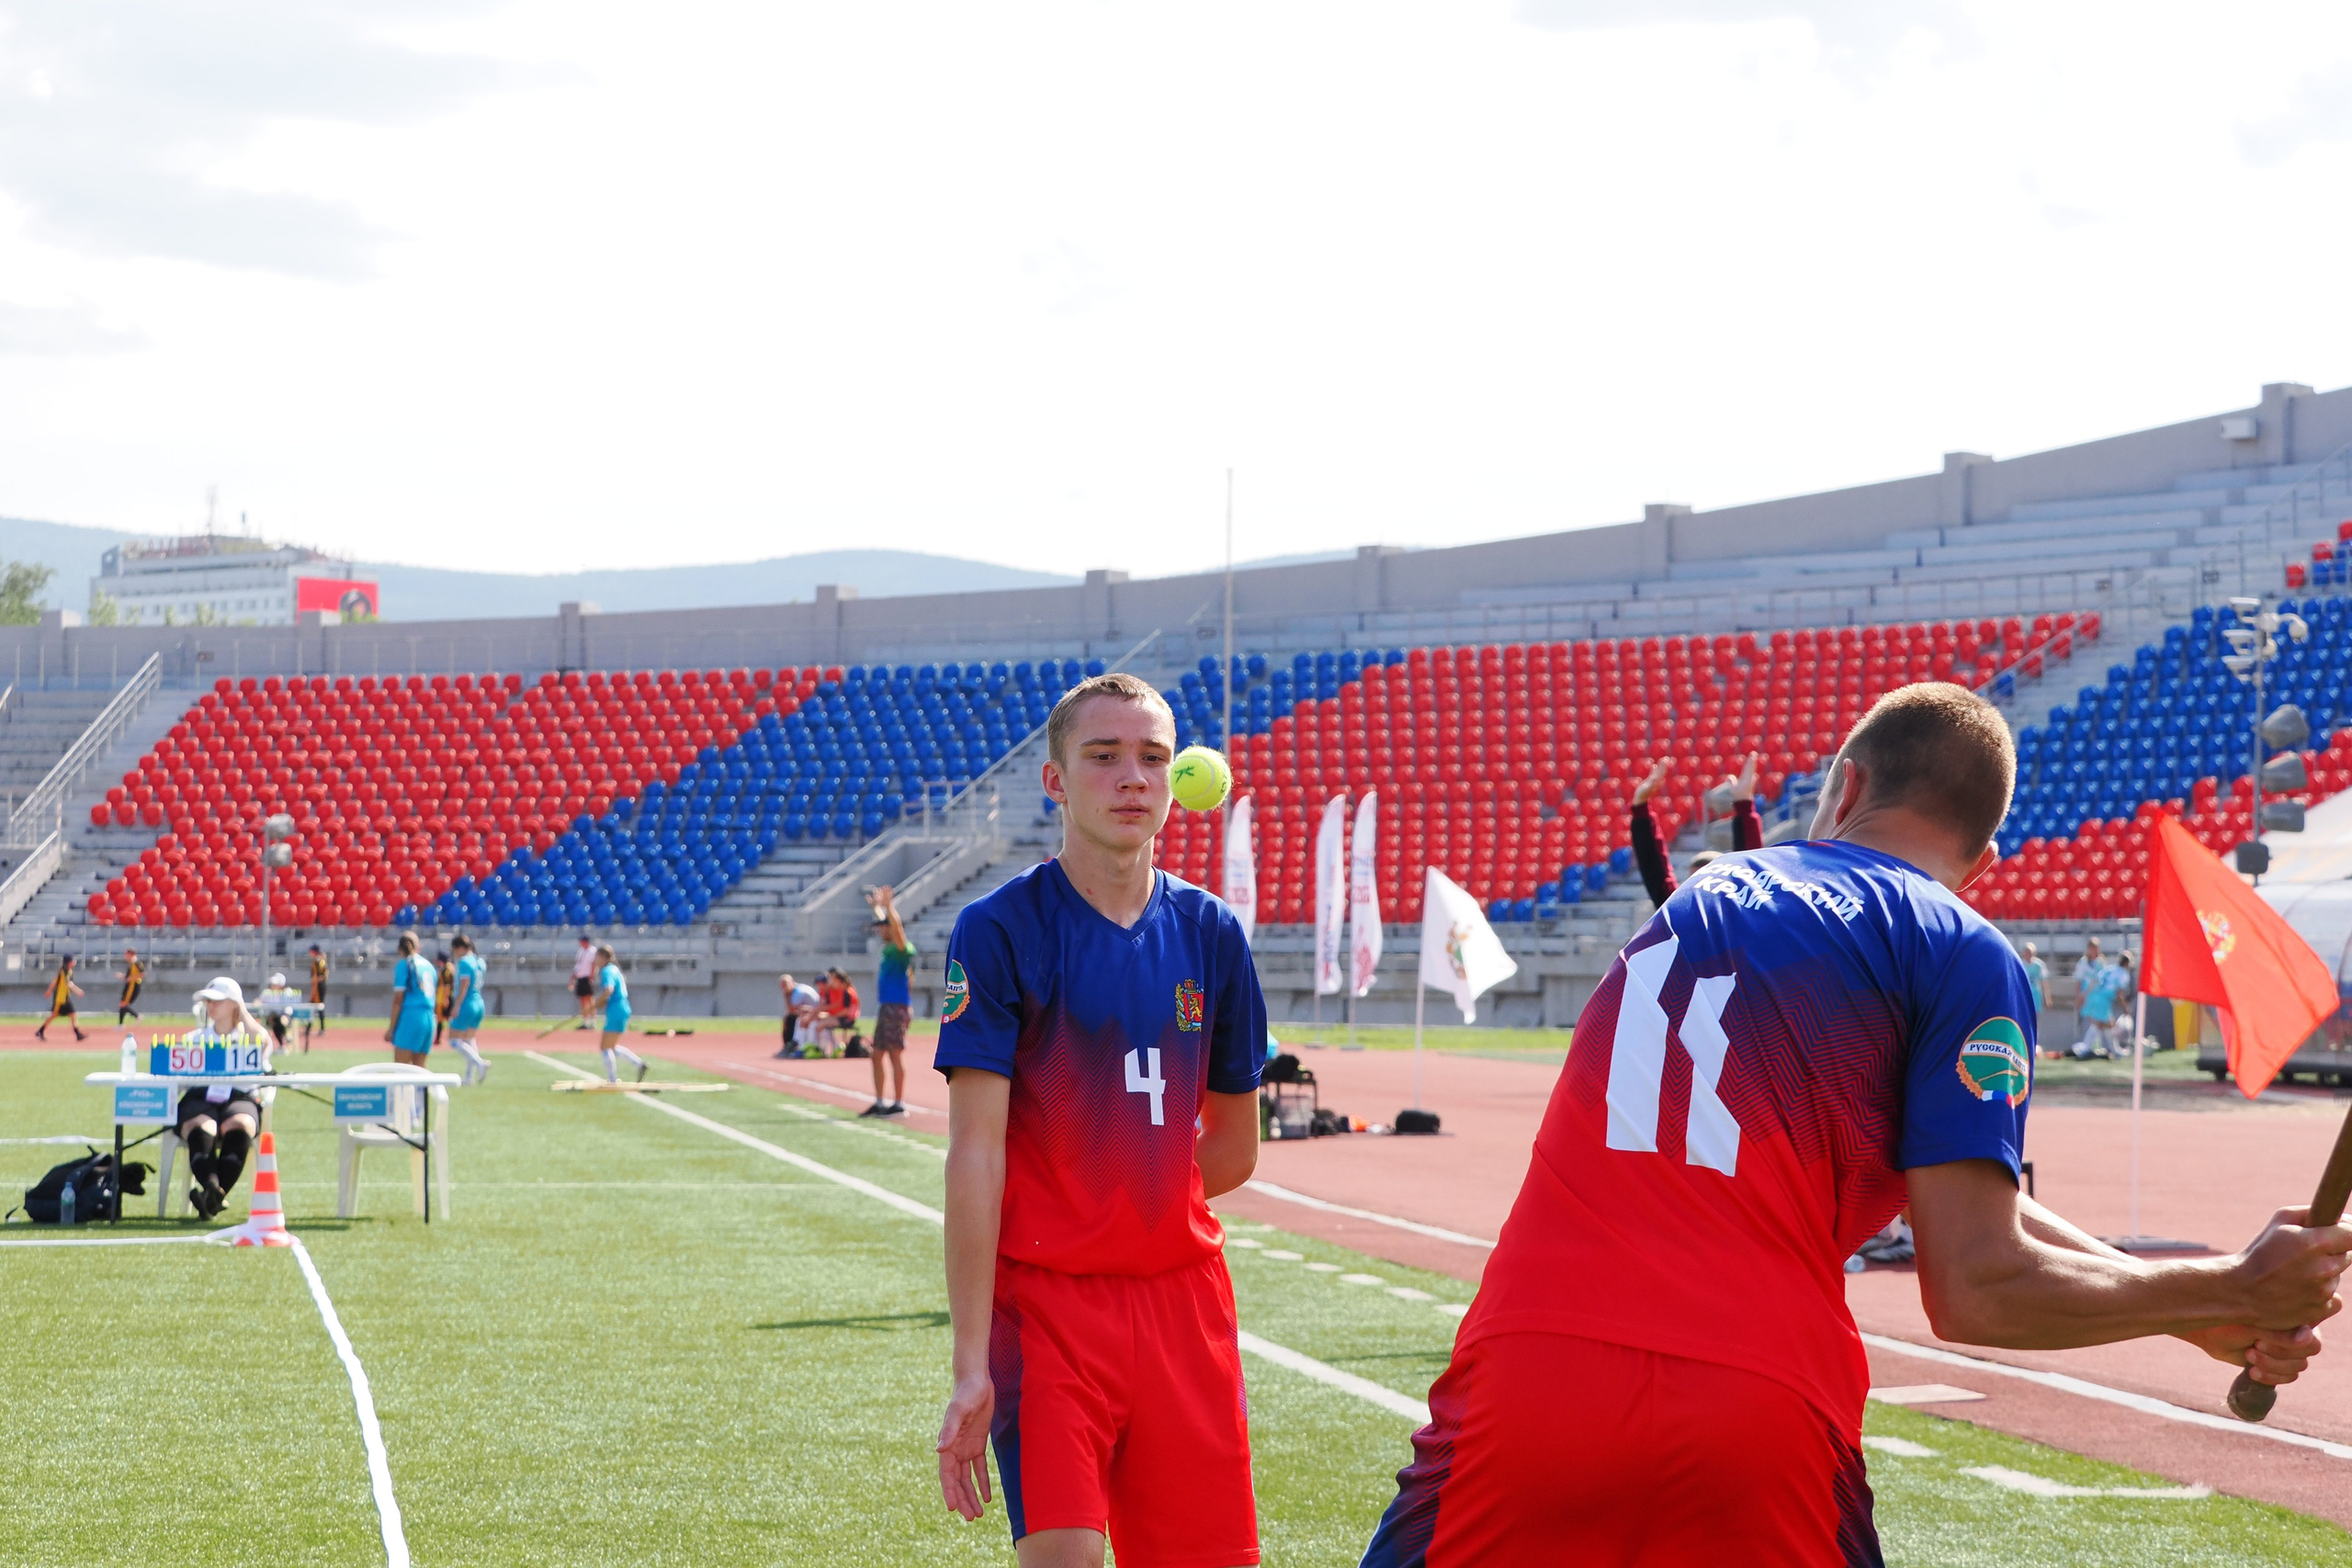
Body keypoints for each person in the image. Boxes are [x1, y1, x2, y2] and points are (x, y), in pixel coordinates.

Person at [1358, 682, 2351, 1568]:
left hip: (1526, 1371)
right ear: (1986, 859)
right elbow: (1974, 1287)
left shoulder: (1701, 897)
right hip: (1755, 1402)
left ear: (1844, 787)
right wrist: (2226, 1283)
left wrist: (2184, 1307)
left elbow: (1950, 1189)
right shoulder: (1957, 945)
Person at [935, 671, 1266, 1568]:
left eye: (1152, 758)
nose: (1132, 778)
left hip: (1183, 1311)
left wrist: (1136, 1197)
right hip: (1047, 1314)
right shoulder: (998, 929)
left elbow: (1235, 1146)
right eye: (1103, 756)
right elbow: (974, 1153)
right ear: (1056, 782)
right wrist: (971, 1363)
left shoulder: (1213, 936)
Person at [175, 976, 273, 1221]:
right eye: (208, 1001)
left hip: (239, 1096)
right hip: (201, 1097)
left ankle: (209, 1197)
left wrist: (243, 1010)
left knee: (240, 1124)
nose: (211, 1005)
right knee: (201, 1125)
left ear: (234, 1004)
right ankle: (213, 1193)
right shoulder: (193, 1039)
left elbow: (262, 1044)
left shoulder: (250, 1036)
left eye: (218, 1001)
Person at [1631, 751, 1764, 908]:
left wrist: (1744, 806)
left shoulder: (1736, 914)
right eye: (1694, 881)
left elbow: (1748, 873)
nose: (1701, 888)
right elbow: (1654, 871)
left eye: (1708, 879)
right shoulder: (1684, 912)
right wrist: (1640, 806)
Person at [863, 886, 916, 1117]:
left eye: (882, 927)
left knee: (894, 1054)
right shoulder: (889, 950)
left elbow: (897, 929)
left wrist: (888, 907)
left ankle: (899, 1103)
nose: (879, 931)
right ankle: (880, 1101)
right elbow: (887, 925)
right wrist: (877, 908)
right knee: (877, 1054)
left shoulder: (902, 949)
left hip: (896, 1006)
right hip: (887, 1006)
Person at [594, 943, 645, 1083]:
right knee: (611, 1046)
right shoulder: (614, 969)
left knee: (604, 1047)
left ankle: (612, 1079)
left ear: (603, 957)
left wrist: (596, 1003)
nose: (595, 960)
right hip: (622, 1007)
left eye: (597, 957)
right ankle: (639, 1064)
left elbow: (609, 990)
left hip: (616, 1008)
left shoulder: (607, 971)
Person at [387, 931, 438, 1067]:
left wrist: (391, 1029)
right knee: (420, 1069)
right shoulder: (429, 966)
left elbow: (398, 999)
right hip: (429, 1017)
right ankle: (422, 1090)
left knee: (401, 1069)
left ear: (399, 949)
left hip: (411, 1016)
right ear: (418, 947)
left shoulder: (404, 965)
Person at [447, 934, 490, 1086]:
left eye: (455, 950)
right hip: (479, 1002)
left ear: (460, 948)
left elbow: (464, 985)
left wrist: (456, 1006)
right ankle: (468, 1076)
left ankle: (480, 1063)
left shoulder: (464, 962)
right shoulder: (480, 961)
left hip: (467, 1003)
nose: (455, 954)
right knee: (469, 1040)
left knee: (454, 1040)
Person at [36, 953, 85, 1042]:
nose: (74, 962)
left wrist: (49, 991)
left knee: (72, 1014)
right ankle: (40, 1031)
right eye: (72, 961)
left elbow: (54, 982)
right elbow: (68, 984)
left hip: (65, 998)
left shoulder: (67, 971)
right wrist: (78, 991)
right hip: (61, 999)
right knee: (55, 1015)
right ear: (69, 962)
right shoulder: (65, 971)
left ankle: (78, 1034)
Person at [254, 972, 303, 1052]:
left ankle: (285, 1038)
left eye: (275, 984)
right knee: (274, 1020)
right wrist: (257, 1001)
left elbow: (291, 1007)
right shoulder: (267, 993)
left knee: (280, 1020)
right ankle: (284, 1040)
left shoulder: (287, 992)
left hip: (285, 1017)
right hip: (272, 1018)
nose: (273, 986)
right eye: (272, 984)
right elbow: (259, 1001)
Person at [777, 972, 821, 1058]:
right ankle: (790, 1045)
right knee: (788, 1018)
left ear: (792, 982)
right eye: (782, 987)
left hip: (816, 1013)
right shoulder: (796, 990)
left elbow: (791, 1010)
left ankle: (793, 1045)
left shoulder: (799, 992)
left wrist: (786, 997)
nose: (784, 989)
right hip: (808, 1013)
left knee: (791, 1019)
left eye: (785, 985)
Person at [571, 934, 599, 1031]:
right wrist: (573, 978)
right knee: (583, 1000)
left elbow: (593, 965)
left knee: (590, 999)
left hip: (587, 977)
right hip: (581, 977)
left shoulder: (592, 951)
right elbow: (578, 965)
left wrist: (592, 977)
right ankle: (585, 1021)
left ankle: (592, 1021)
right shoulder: (581, 951)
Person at [2019, 941, 2048, 1017]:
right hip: (2023, 993)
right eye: (2027, 952)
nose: (2029, 954)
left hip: (2035, 993)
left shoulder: (2039, 965)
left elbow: (2043, 980)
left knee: (2035, 1016)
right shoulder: (2020, 964)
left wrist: (2046, 997)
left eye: (2030, 952)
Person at [117, 945, 143, 1024]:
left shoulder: (137, 963)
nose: (125, 956)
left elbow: (142, 973)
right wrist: (122, 976)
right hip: (130, 985)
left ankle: (137, 1016)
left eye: (126, 954)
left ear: (131, 954)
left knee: (123, 1004)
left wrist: (131, 978)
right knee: (122, 1004)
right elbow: (129, 976)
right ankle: (122, 1023)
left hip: (133, 986)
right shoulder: (132, 964)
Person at [307, 943, 329, 1038]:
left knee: (318, 1007)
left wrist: (316, 980)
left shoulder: (320, 962)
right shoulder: (317, 961)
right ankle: (310, 1029)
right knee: (314, 1007)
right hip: (316, 986)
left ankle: (320, 1029)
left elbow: (323, 975)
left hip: (319, 987)